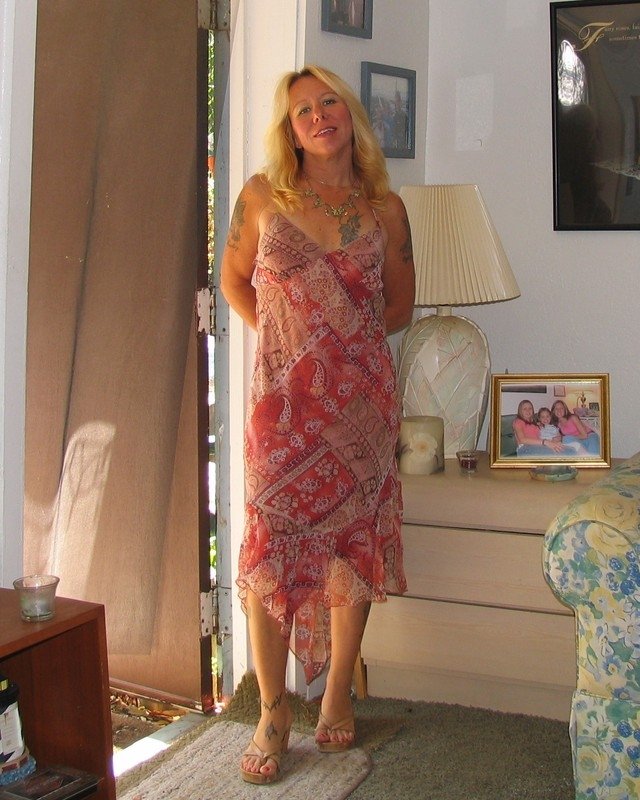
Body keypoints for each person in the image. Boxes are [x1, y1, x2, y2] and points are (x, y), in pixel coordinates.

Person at [220, 64, 415, 785]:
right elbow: (233, 280)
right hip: (282, 413)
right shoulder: (261, 196)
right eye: (302, 110)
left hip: (361, 412)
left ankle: (336, 692)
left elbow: (400, 305)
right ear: (289, 129)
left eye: (329, 102)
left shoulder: (385, 208)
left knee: (350, 548)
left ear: (350, 114)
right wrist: (289, 347)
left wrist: (345, 354)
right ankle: (273, 710)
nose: (318, 116)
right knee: (268, 550)